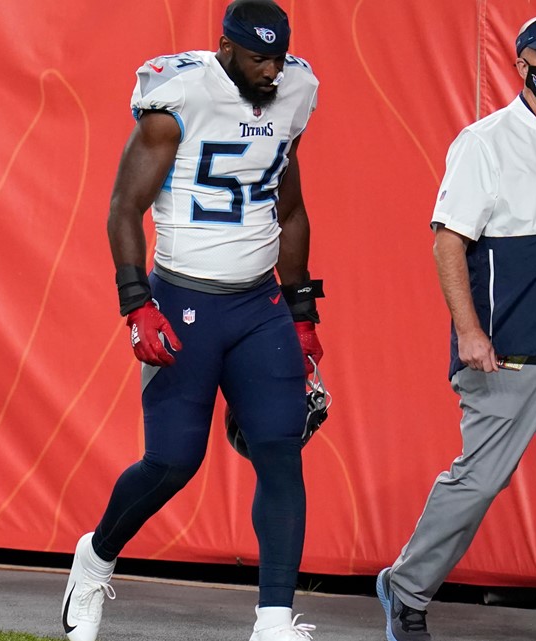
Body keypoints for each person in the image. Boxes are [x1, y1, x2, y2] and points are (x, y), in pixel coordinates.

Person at [59, 2, 322, 640]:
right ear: (225, 48)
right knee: (173, 462)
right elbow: (124, 209)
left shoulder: (297, 90)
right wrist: (136, 303)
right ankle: (94, 561)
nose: (271, 70)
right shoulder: (177, 94)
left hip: (258, 304)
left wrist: (302, 309)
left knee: (281, 450)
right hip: (183, 299)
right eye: (258, 58)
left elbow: (289, 207)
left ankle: (274, 622)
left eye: (278, 57)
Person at [375, 15, 536, 641]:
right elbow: (448, 242)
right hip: (507, 355)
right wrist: (469, 333)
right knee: (478, 480)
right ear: (522, 65)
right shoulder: (484, 142)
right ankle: (406, 586)